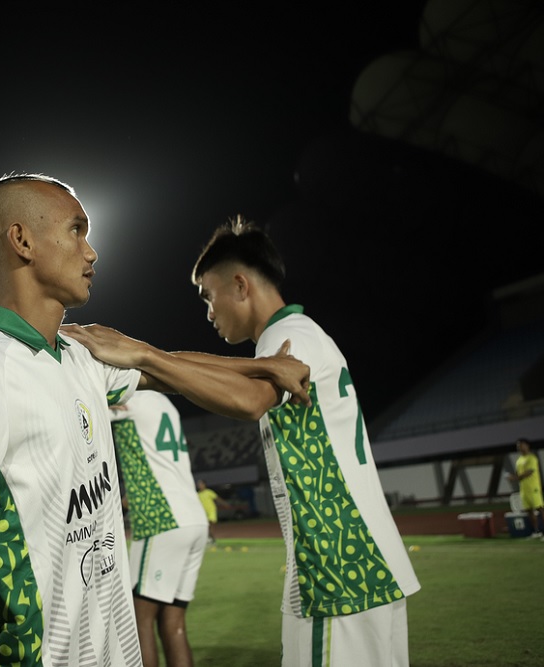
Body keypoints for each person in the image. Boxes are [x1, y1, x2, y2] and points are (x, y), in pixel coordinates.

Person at [0, 173, 310, 667]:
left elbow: (170, 370)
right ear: (22, 240)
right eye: (76, 230)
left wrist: (263, 366)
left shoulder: (73, 355)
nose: (91, 252)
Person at [61, 216, 421, 667]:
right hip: (365, 564)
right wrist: (147, 354)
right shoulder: (296, 336)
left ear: (240, 285)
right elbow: (217, 372)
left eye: (208, 296)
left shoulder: (289, 337)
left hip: (338, 567)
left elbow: (252, 400)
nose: (208, 312)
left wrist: (142, 353)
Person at [110, 390, 208, 667]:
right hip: (194, 518)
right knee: (173, 623)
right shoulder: (163, 402)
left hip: (161, 519)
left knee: (139, 621)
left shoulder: (130, 401)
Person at [508, 437, 544, 538]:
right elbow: (518, 473)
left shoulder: (531, 458)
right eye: (518, 446)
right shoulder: (519, 460)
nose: (519, 447)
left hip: (533, 488)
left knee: (540, 509)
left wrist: (515, 477)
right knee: (529, 511)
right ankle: (537, 532)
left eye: (521, 445)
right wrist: (512, 476)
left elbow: (529, 472)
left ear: (527, 446)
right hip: (524, 489)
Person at [195, 479, 228, 545]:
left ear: (204, 485)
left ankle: (210, 539)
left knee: (211, 524)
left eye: (201, 484)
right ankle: (211, 539)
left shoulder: (209, 492)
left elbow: (217, 498)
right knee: (206, 527)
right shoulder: (198, 494)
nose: (200, 486)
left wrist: (224, 504)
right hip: (203, 513)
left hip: (211, 511)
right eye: (199, 484)